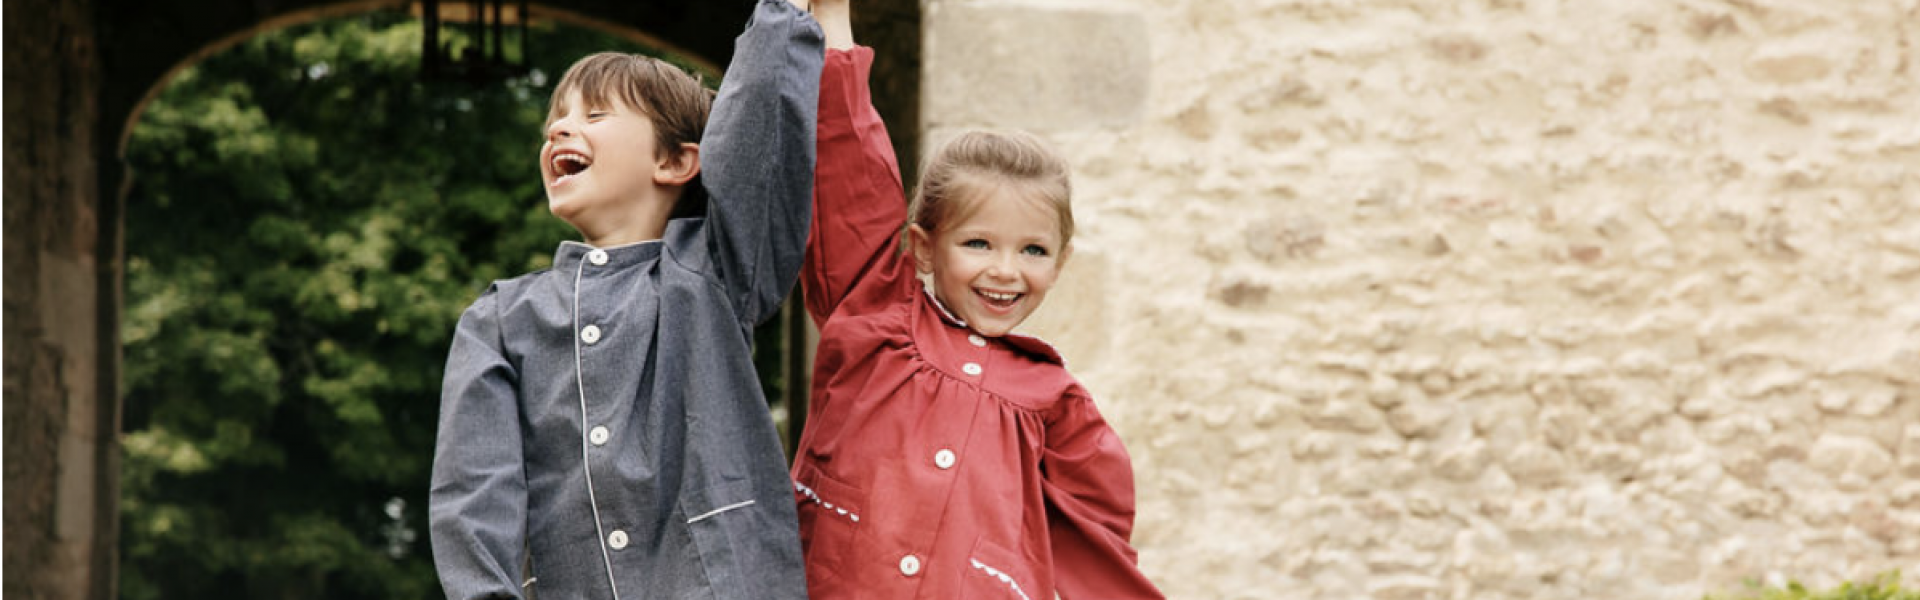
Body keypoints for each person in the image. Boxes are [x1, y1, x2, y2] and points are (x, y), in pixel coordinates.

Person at [428, 1, 822, 598]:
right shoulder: (499, 321)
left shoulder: (713, 273)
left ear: (675, 160)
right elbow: (474, 494)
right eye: (554, 122)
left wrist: (784, 11)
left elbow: (757, 133)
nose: (560, 128)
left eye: (596, 113)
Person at [790, 2, 1164, 598]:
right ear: (925, 247)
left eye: (1034, 251)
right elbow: (847, 165)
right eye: (979, 243)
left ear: (1062, 262)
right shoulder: (875, 316)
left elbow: (1098, 560)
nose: (1006, 271)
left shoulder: (1058, 408)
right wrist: (832, 14)